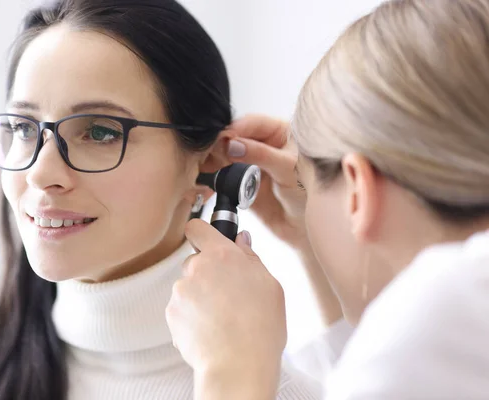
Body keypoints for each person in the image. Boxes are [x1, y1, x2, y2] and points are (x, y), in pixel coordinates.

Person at [0, 1, 322, 399]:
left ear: (209, 161)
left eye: (100, 132)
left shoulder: (276, 393)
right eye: (23, 128)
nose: (40, 173)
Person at [166, 0, 489, 398]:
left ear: (358, 189)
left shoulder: (440, 309)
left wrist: (232, 365)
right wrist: (307, 241)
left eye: (305, 183)